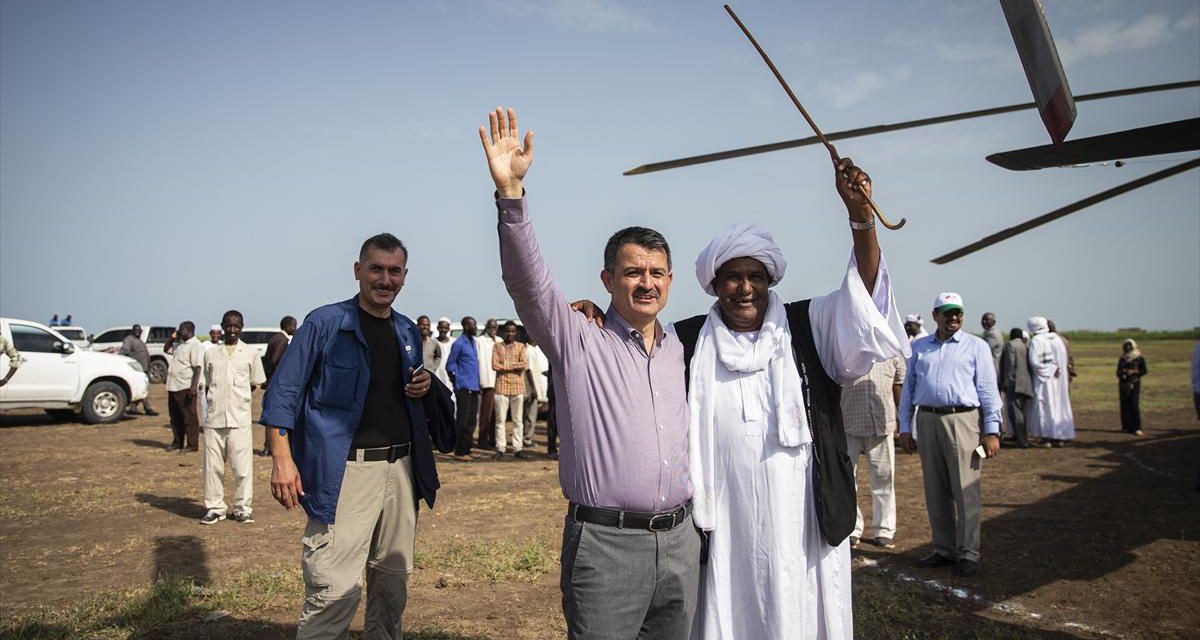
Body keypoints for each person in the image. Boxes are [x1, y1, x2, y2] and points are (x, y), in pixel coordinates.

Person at [483, 106, 699, 638]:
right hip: (606, 547)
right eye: (632, 272)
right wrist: (512, 196)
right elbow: (529, 285)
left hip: (681, 541)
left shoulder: (684, 347)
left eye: (656, 272)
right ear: (607, 278)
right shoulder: (578, 339)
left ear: (670, 279)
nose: (645, 283)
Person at [260, 232, 453, 639]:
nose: (385, 280)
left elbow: (404, 392)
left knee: (392, 584)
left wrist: (423, 386)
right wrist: (282, 459)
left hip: (400, 472)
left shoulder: (405, 331)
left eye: (394, 271)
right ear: (357, 271)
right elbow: (285, 393)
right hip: (345, 473)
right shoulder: (325, 324)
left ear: (404, 276)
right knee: (333, 590)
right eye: (376, 270)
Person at [899, 292, 1002, 579]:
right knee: (935, 489)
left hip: (963, 420)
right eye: (947, 312)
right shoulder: (920, 347)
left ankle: (968, 551)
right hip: (928, 419)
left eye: (958, 312)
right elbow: (908, 391)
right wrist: (905, 427)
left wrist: (992, 430)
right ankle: (944, 548)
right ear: (935, 315)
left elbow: (988, 391)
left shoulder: (975, 346)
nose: (953, 317)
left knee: (965, 489)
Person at [200, 310, 266, 525]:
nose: (232, 330)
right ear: (222, 327)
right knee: (213, 468)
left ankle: (242, 508)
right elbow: (207, 382)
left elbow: (256, 382)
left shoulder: (250, 353)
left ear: (242, 327)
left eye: (236, 326)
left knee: (242, 468)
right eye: (228, 325)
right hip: (214, 419)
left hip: (240, 420)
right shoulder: (211, 353)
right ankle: (215, 508)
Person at [840, 356, 906, 550]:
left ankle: (884, 529)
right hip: (848, 422)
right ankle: (852, 528)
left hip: (882, 424)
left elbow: (899, 384)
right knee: (848, 481)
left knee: (884, 479)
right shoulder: (847, 346)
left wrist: (903, 418)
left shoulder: (892, 350)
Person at [1027, 316, 1075, 447]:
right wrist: (1055, 369)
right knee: (1058, 405)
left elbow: (1034, 362)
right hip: (1058, 379)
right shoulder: (1057, 339)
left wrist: (1048, 370)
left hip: (1043, 380)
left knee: (1044, 406)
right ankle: (1059, 436)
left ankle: (1046, 437)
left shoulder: (1036, 340)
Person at [163, 322, 204, 453]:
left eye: (181, 330)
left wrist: (194, 386)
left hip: (185, 386)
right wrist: (172, 338)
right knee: (175, 417)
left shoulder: (195, 345)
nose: (179, 332)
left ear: (189, 330)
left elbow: (198, 367)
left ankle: (192, 444)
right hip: (173, 385)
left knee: (189, 417)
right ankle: (177, 442)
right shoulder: (180, 345)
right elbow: (166, 349)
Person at [260, 315, 297, 456]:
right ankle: (269, 447)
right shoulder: (282, 341)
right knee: (275, 417)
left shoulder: (275, 338)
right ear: (287, 326)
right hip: (277, 383)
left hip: (271, 380)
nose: (295, 329)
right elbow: (275, 360)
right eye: (294, 325)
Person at [491, 320, 528, 459]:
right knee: (500, 420)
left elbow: (524, 364)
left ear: (516, 332)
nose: (510, 334)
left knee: (517, 420)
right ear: (504, 332)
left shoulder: (521, 346)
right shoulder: (497, 346)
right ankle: (500, 448)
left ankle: (517, 448)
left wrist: (505, 365)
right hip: (501, 387)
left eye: (512, 331)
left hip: (517, 387)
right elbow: (495, 365)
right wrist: (514, 366)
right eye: (508, 331)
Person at [447, 316, 481, 461]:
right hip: (463, 387)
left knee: (472, 420)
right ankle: (460, 451)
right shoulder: (459, 343)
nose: (475, 328)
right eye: (473, 325)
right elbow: (450, 365)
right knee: (463, 420)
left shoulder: (473, 342)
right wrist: (457, 383)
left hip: (474, 386)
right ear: (466, 326)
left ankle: (467, 448)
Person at [998, 328, 1033, 448]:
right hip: (1027, 384)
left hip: (1015, 384)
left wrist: (1006, 382)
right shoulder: (1026, 346)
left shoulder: (1010, 345)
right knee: (1023, 413)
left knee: (1016, 413)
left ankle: (1022, 440)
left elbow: (1010, 365)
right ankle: (1023, 437)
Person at [119, 325, 158, 416]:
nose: (138, 332)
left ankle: (133, 407)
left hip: (143, 368)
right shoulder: (129, 340)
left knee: (141, 388)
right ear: (132, 331)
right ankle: (147, 408)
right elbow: (124, 352)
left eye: (139, 331)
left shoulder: (139, 340)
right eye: (136, 330)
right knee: (142, 388)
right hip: (136, 369)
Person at [476, 318, 501, 450]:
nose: (493, 330)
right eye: (491, 328)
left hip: (500, 382)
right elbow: (478, 360)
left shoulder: (500, 341)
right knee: (485, 414)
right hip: (487, 382)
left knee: (497, 415)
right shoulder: (480, 341)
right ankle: (482, 440)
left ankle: (493, 439)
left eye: (495, 328)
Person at [1117, 339, 1148, 436]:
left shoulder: (1139, 358)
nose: (1127, 347)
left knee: (1134, 404)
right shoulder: (1122, 358)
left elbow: (1144, 370)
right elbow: (1117, 371)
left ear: (1133, 346)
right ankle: (1126, 427)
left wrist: (1134, 372)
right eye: (1125, 345)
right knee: (1124, 405)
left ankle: (1137, 427)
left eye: (1129, 345)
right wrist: (1123, 373)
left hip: (1134, 383)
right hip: (1123, 384)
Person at [523, 335, 549, 447]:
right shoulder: (528, 351)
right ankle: (526, 438)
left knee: (533, 413)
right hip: (531, 387)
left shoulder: (537, 349)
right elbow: (528, 371)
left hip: (540, 383)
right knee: (530, 414)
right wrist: (533, 389)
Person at [433, 317, 454, 388]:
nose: (443, 330)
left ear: (448, 329)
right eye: (441, 328)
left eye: (445, 328)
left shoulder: (453, 342)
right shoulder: (433, 342)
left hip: (450, 374)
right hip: (437, 373)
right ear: (438, 328)